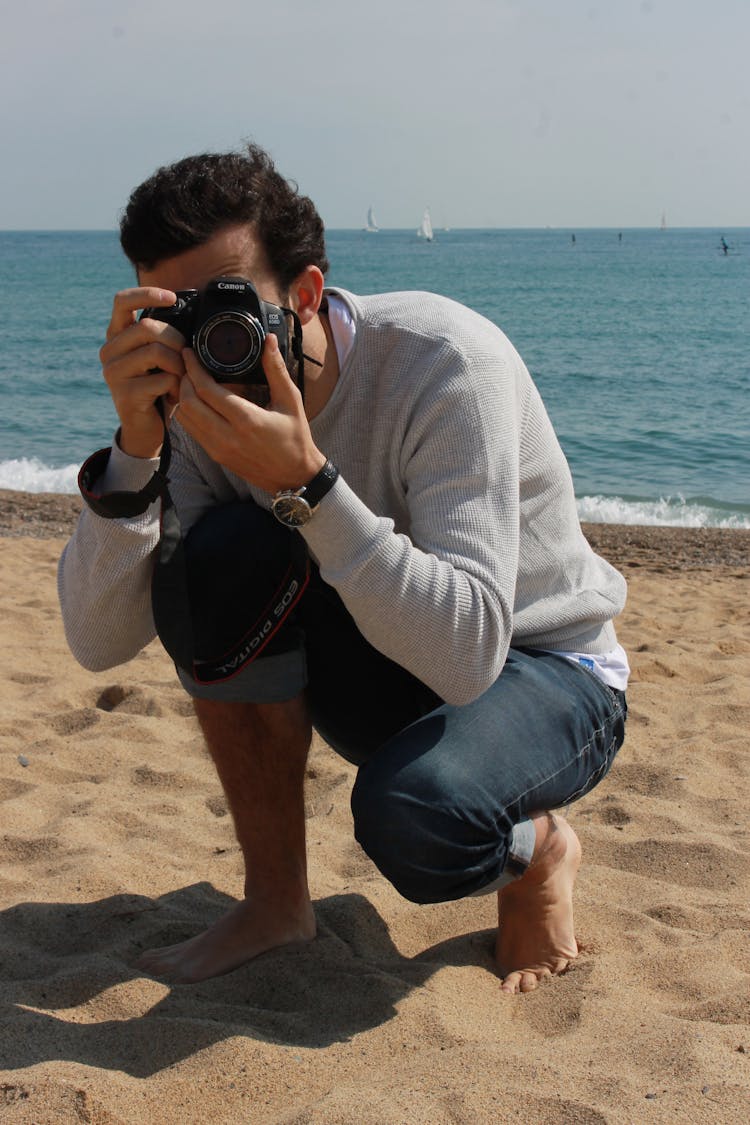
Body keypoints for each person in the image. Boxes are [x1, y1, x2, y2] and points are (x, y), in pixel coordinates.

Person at [58, 143, 628, 994]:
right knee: (217, 563)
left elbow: (469, 653)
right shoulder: (190, 404)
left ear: (308, 294)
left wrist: (308, 484)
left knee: (418, 818)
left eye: (230, 305)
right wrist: (136, 451)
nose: (211, 340)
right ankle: (276, 902)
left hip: (546, 666)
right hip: (388, 654)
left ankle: (541, 849)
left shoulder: (443, 364)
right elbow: (100, 641)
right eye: (177, 316)